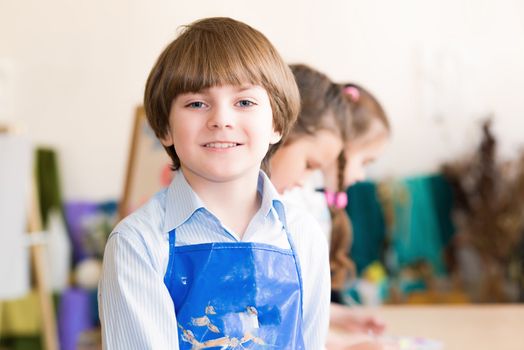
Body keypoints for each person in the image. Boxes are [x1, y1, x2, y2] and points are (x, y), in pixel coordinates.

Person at [98, 17, 330, 350]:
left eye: (244, 102)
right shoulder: (137, 244)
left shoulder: (304, 235)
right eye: (196, 103)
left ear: (276, 123)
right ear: (164, 128)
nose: (221, 119)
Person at [270, 70, 390, 349]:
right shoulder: (289, 203)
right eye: (365, 161)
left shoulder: (304, 198)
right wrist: (339, 343)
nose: (361, 176)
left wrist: (341, 320)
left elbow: (291, 303)